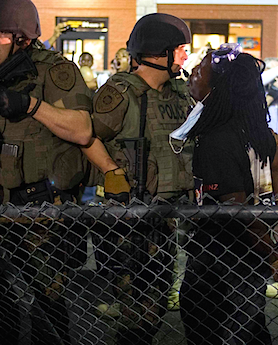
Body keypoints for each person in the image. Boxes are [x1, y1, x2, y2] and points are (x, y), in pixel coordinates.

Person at [0, 0, 127, 344]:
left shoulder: (53, 71)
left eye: (1, 33)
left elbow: (81, 129)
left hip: (41, 211)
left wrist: (30, 105)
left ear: (22, 38)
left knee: (46, 306)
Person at [87, 13, 195, 345]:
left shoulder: (180, 92)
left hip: (168, 217)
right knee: (136, 310)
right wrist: (110, 169)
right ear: (158, 52)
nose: (185, 57)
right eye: (179, 50)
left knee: (158, 302)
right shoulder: (122, 92)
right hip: (131, 219)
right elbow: (87, 135)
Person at [182, 42, 278, 345]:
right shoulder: (253, 128)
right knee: (250, 328)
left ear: (219, 87)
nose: (192, 75)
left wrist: (274, 254)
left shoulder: (217, 139)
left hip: (219, 258)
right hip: (251, 252)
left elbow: (237, 210)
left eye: (199, 71)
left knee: (216, 332)